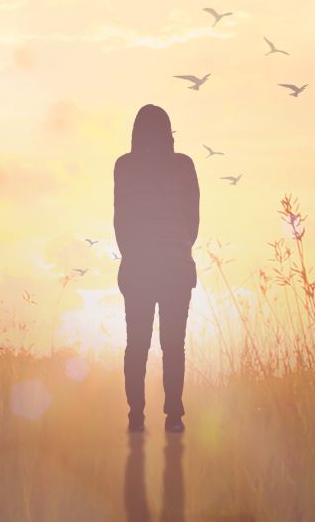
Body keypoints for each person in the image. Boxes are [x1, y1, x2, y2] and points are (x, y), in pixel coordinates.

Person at [113, 103, 200, 434]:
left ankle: (136, 417)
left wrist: (132, 255)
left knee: (136, 344)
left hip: (137, 267)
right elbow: (193, 220)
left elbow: (120, 219)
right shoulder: (184, 166)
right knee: (173, 345)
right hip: (177, 267)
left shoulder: (125, 166)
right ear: (169, 133)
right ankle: (174, 417)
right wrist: (178, 248)